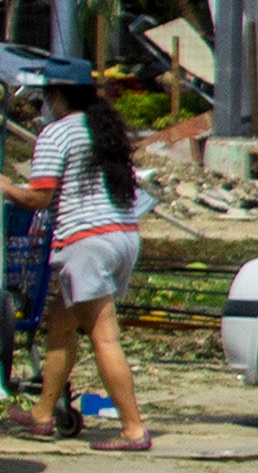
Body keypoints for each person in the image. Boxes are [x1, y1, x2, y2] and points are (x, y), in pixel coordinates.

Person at [3, 71, 153, 451]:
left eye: (44, 99)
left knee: (104, 337)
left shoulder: (57, 133)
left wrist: (4, 185)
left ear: (56, 96)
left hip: (87, 243)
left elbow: (39, 198)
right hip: (122, 236)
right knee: (60, 322)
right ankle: (42, 413)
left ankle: (133, 429)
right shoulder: (103, 128)